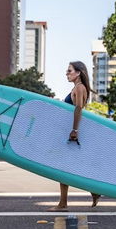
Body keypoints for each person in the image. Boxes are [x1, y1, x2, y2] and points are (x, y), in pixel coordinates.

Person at [47, 61, 100, 212]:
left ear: (78, 73)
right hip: (70, 132)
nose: (67, 73)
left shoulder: (80, 87)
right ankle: (93, 191)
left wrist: (74, 130)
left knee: (64, 167)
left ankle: (64, 203)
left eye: (69, 71)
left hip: (74, 133)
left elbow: (78, 108)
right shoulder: (76, 88)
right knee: (70, 166)